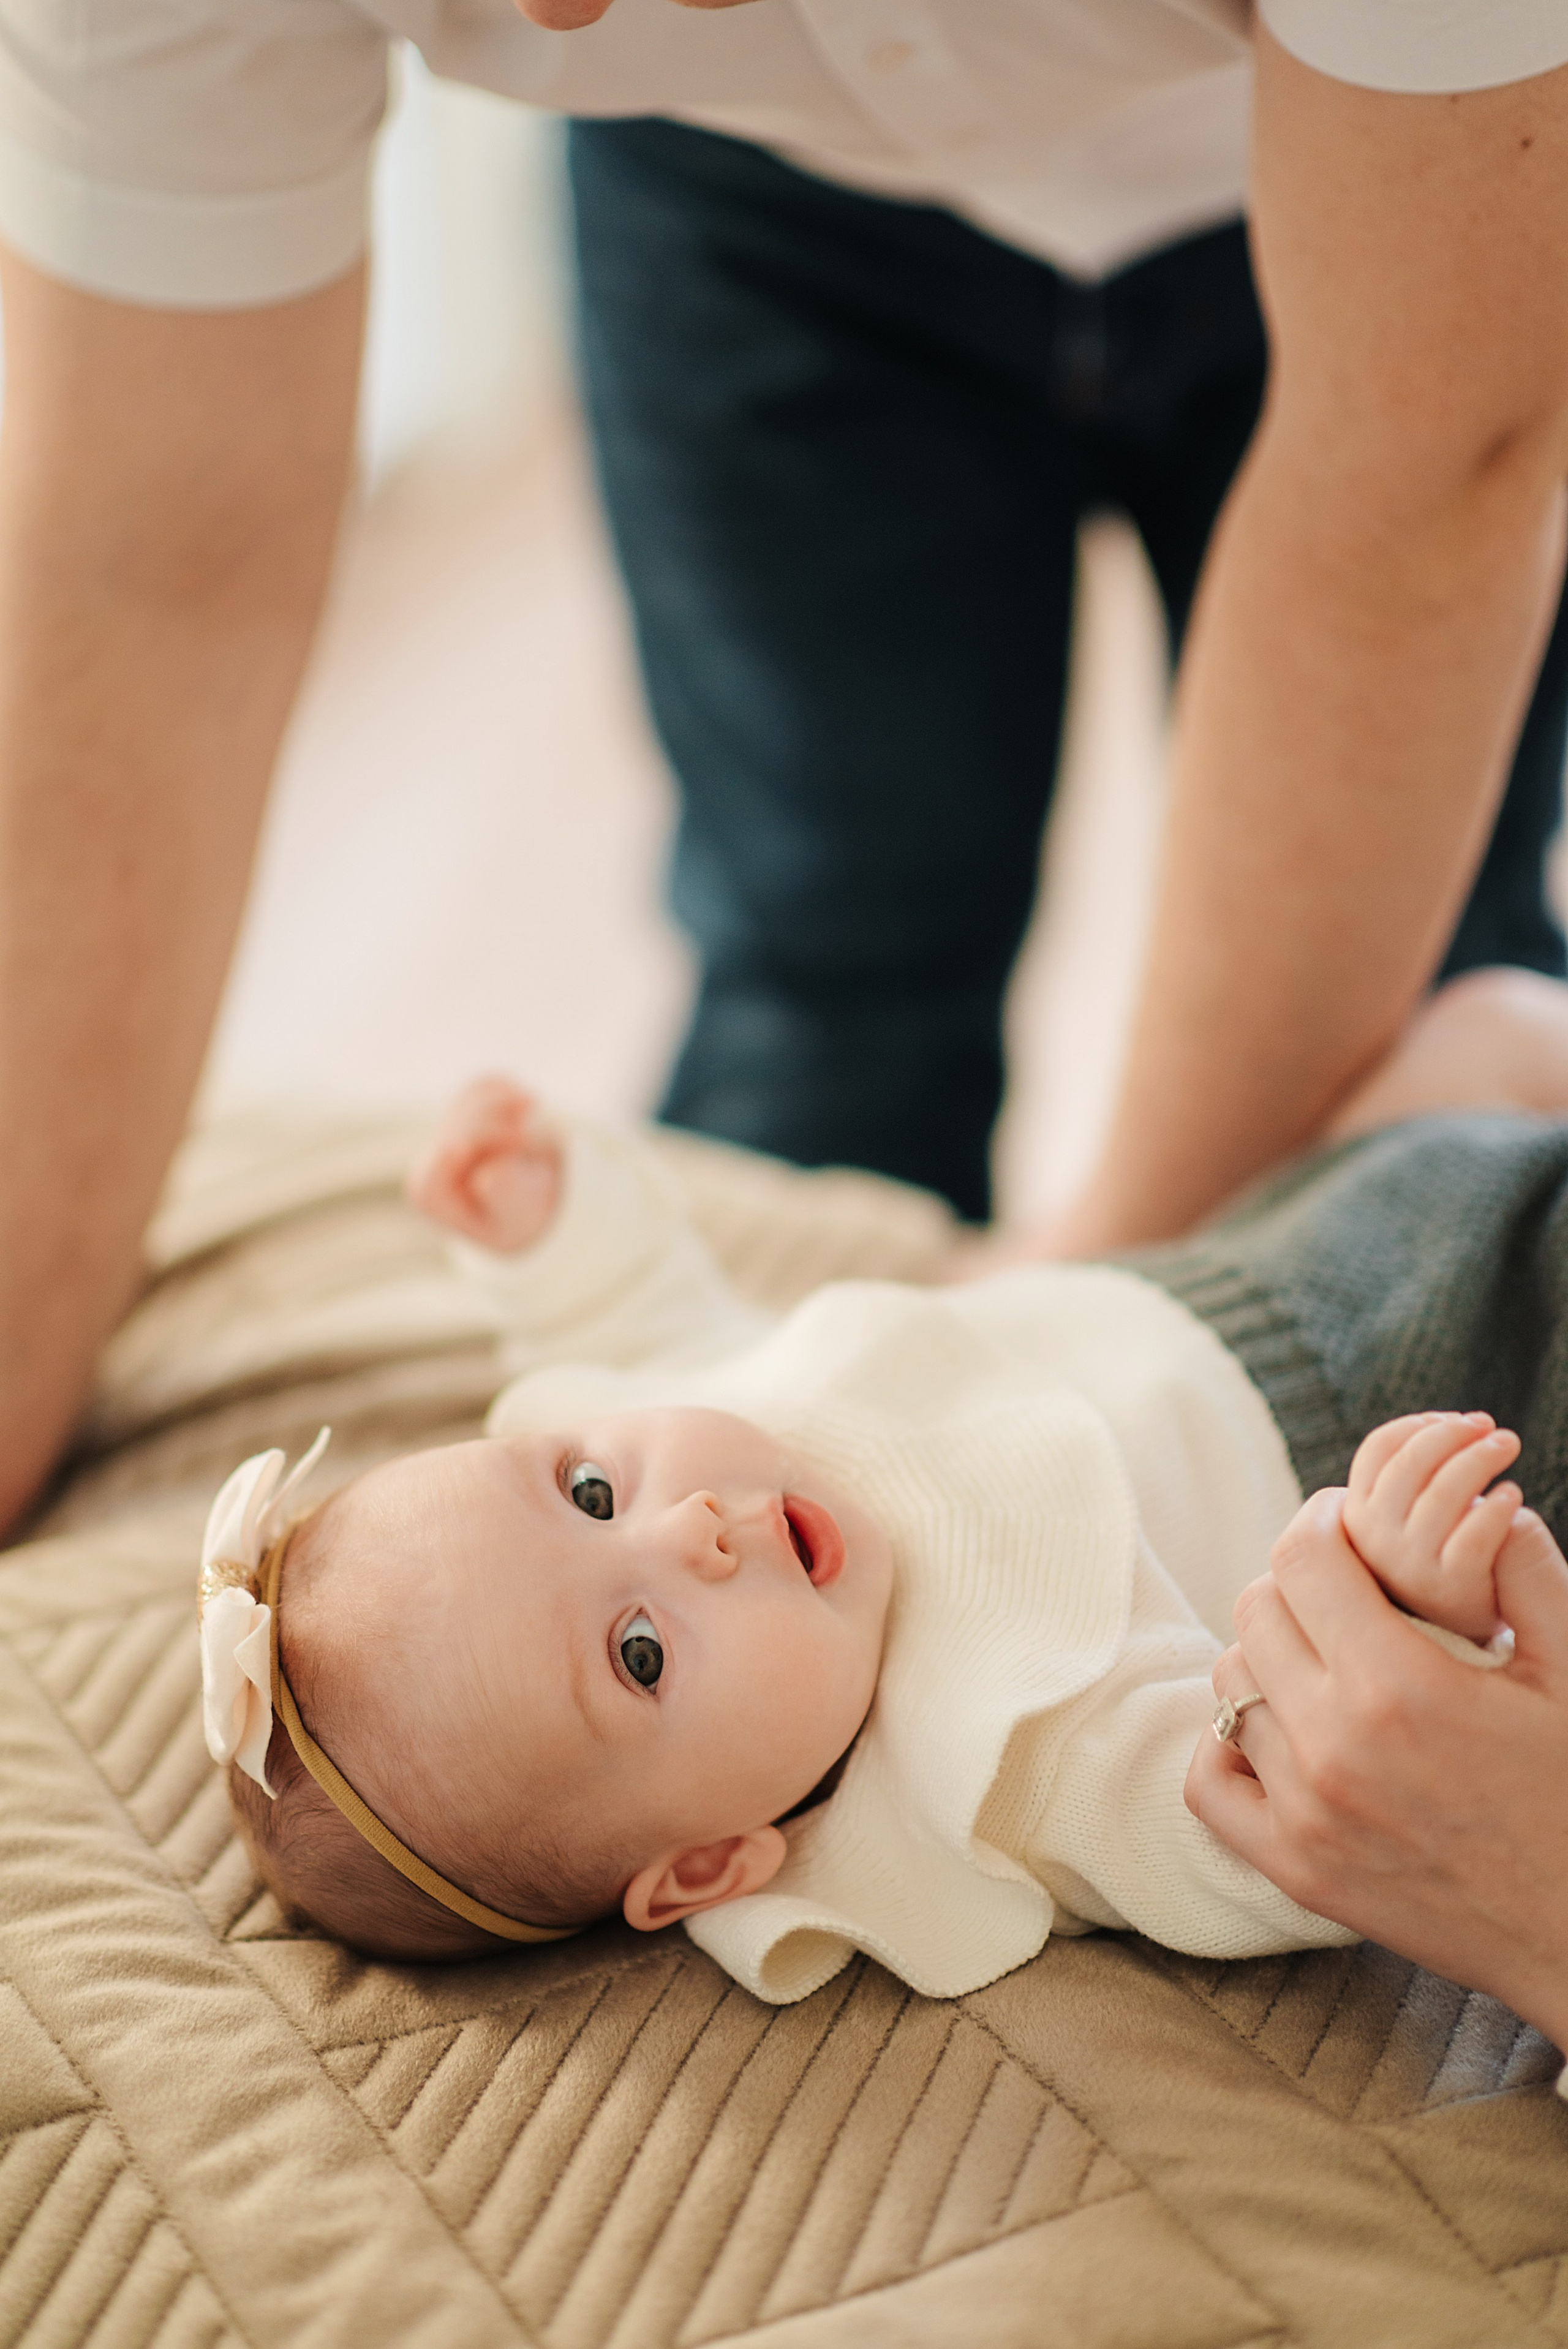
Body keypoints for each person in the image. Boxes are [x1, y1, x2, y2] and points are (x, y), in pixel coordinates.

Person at [6, 2, 1568, 1550]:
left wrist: (1094, 1307)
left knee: (1421, 1078)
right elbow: (140, 583)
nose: (543, 18)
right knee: (823, 992)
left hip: (1421, 162)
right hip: (733, 208)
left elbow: (1425, 473)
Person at [198, 973, 1568, 2030]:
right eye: (639, 1651)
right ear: (709, 1865)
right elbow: (1269, 1834)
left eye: (592, 1486)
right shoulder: (995, 1774)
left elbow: (634, 1315)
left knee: (1486, 1021)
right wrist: (1416, 1610)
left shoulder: (722, 1434)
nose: (689, 1529)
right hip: (1442, 1394)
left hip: (1255, 1255)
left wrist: (542, 1225)